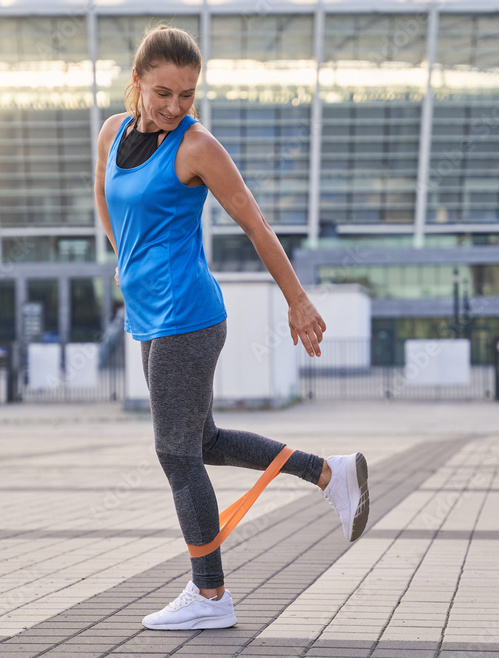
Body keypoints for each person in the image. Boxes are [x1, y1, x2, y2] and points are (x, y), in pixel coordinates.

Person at [94, 25, 369, 631]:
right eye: (162, 92)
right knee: (204, 442)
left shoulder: (197, 147)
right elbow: (108, 204)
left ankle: (210, 594)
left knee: (175, 452)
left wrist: (297, 301)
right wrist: (126, 267)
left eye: (187, 95)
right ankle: (331, 473)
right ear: (136, 81)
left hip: (187, 317)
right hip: (150, 317)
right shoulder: (112, 133)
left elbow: (256, 224)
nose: (174, 107)